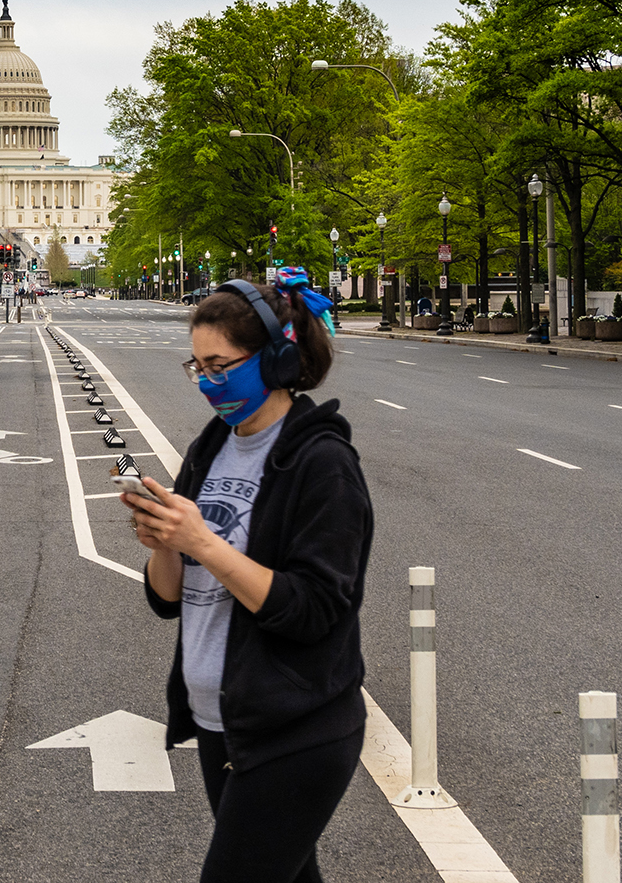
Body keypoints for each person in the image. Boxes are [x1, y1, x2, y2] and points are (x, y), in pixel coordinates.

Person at [122, 269, 373, 883]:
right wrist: (165, 544)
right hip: (221, 721)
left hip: (295, 727)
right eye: (197, 368)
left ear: (277, 360)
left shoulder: (323, 464)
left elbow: (313, 609)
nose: (207, 383)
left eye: (219, 366)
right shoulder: (213, 445)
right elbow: (167, 600)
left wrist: (201, 540)